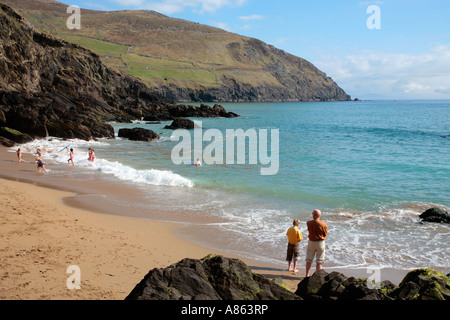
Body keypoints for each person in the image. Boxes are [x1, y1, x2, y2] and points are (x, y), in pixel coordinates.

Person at [305, 209, 328, 277]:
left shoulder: (309, 223)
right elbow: (325, 233)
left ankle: (307, 275)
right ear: (319, 215)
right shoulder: (323, 224)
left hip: (311, 242)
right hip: (320, 243)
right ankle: (318, 277)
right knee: (319, 261)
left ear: (313, 215)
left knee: (309, 260)